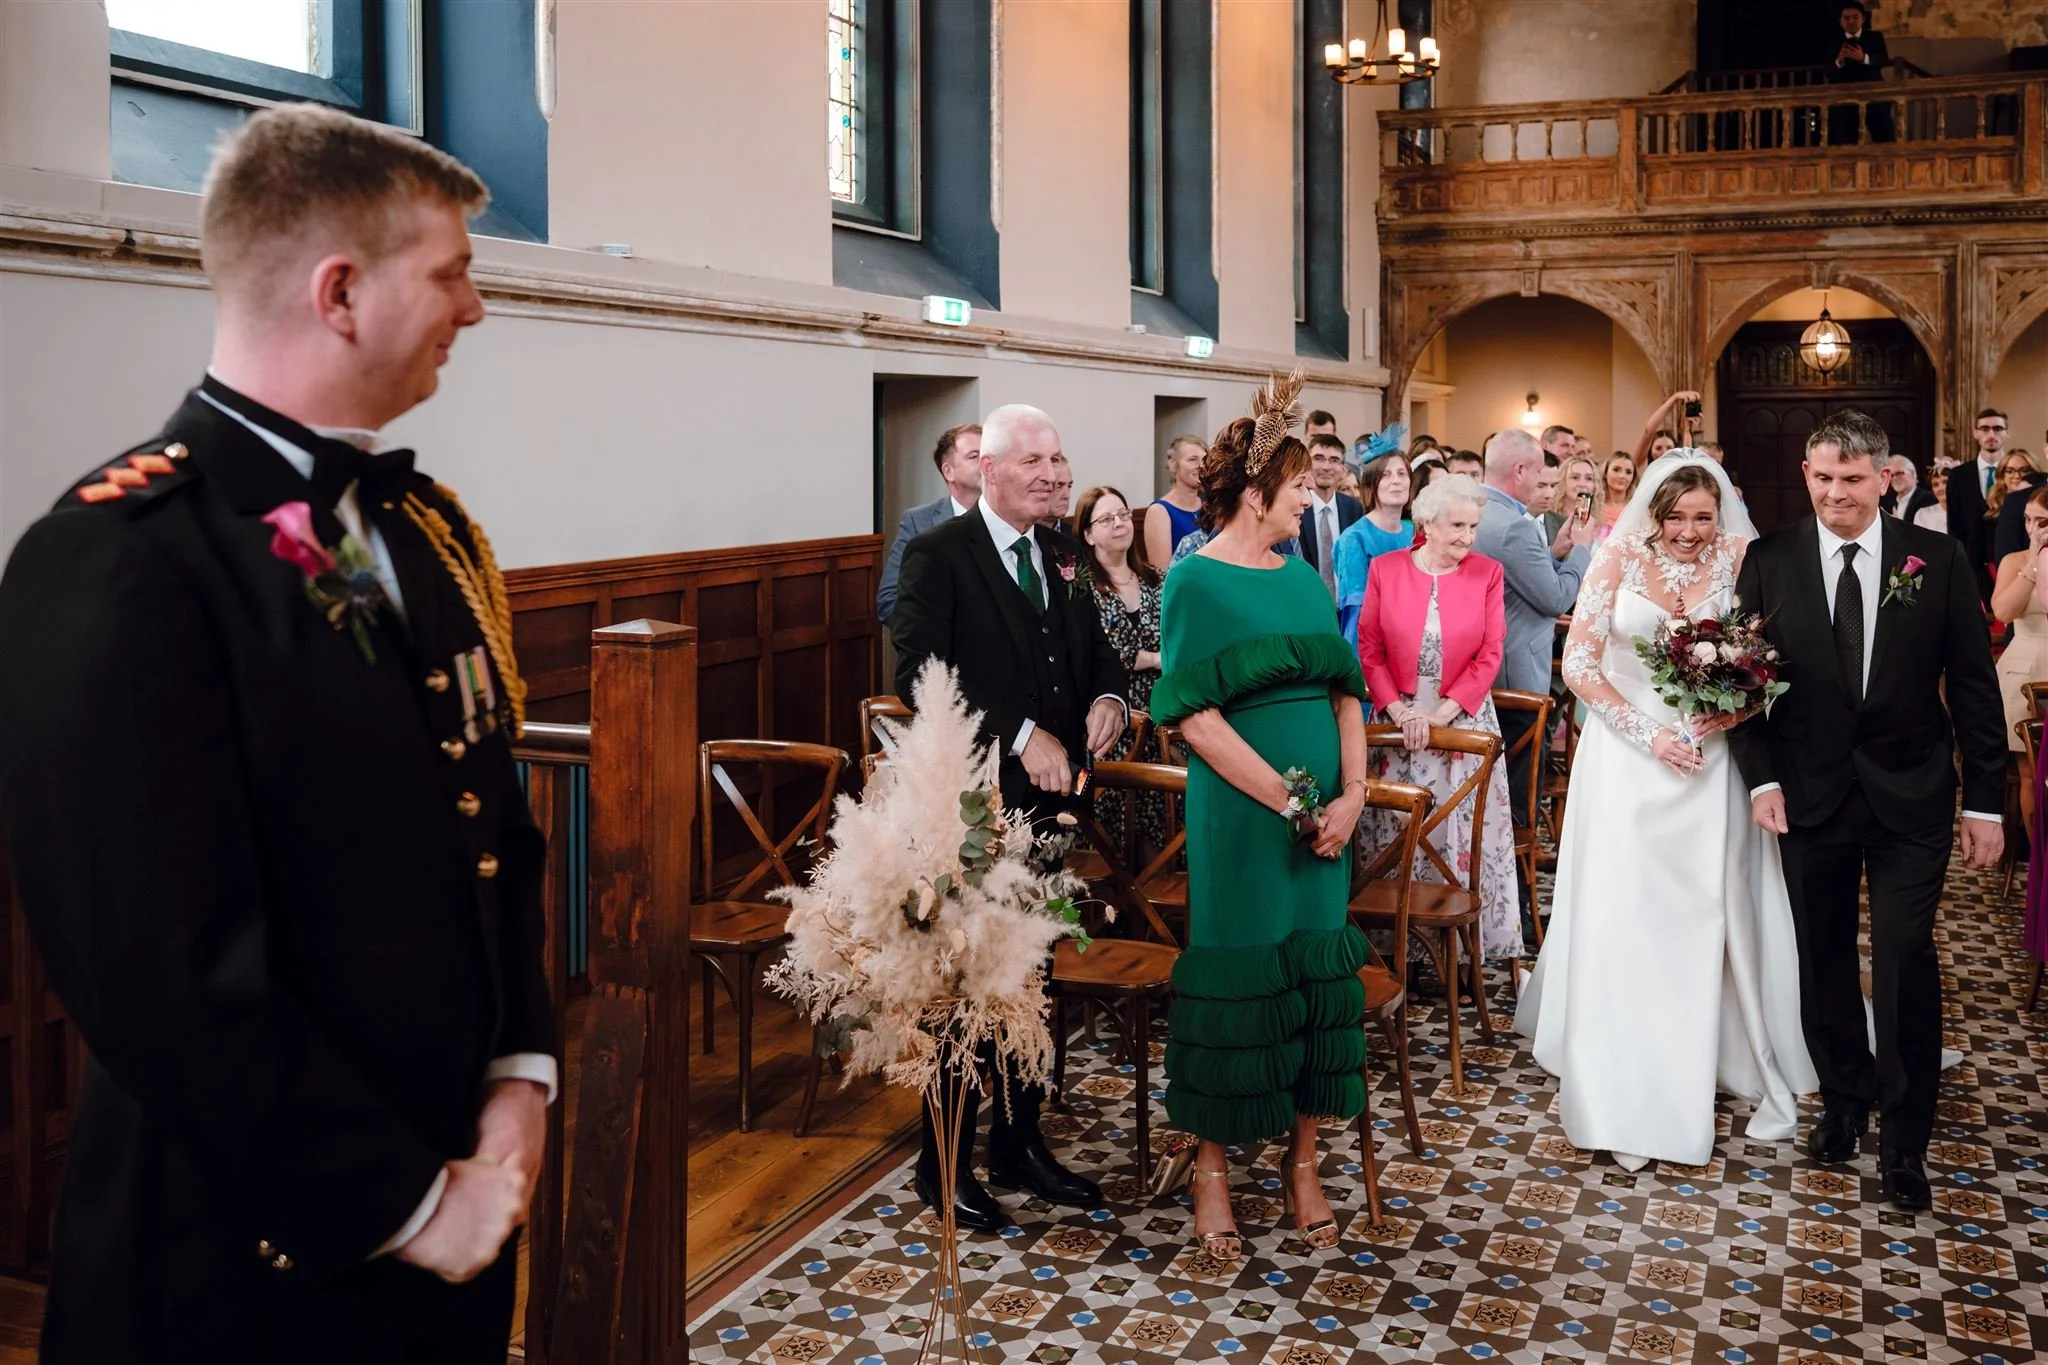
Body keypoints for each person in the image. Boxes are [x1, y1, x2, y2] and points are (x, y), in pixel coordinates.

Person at [0, 104, 556, 1363]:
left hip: (452, 1216)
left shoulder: (401, 530)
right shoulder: (117, 560)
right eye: (453, 273)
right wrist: (413, 1206)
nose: (473, 309)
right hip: (245, 1268)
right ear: (341, 292)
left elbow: (486, 828)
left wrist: (517, 1084)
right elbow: (161, 976)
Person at [1732, 411, 2005, 1212]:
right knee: (1822, 957)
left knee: (1905, 956)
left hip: (1912, 791)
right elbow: (1742, 684)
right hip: (1808, 793)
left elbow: (1974, 685)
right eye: (1821, 477)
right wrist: (1759, 780)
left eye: (1851, 479)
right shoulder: (1770, 558)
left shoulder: (1938, 558)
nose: (1833, 493)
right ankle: (1846, 1100)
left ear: (1884, 478)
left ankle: (1907, 1141)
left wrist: (1986, 799)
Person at [1517, 454, 1814, 1171]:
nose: (1688, 531)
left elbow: (1768, 658)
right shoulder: (1614, 558)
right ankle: (1623, 1071)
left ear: (1722, 514)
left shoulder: (1743, 559)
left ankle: (1707, 1051)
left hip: (1710, 762)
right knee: (1627, 911)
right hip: (1625, 758)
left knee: (1703, 911)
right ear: (1655, 514)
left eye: (1702, 517)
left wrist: (1730, 707)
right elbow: (1580, 666)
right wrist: (1647, 731)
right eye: (1676, 516)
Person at [891, 403, 1131, 1231]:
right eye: (1035, 461)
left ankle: (1019, 1140)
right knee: (964, 988)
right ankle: (943, 1160)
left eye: (1059, 458)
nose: (1055, 474)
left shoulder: (1061, 552)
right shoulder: (938, 556)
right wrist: (1023, 734)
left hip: (1053, 811)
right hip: (972, 808)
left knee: (1034, 978)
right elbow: (920, 671)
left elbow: (1096, 649)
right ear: (988, 469)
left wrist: (1107, 698)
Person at [1152, 376, 1371, 1263]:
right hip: (1243, 821)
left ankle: (1303, 1161)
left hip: (1326, 826)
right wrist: (1290, 799)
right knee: (1239, 981)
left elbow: (1345, 692)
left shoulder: (1307, 581)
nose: (1311, 502)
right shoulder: (1193, 582)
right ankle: (1211, 1172)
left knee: (1314, 984)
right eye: (1299, 491)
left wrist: (1350, 797)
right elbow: (1194, 717)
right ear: (1254, 495)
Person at [1354, 474, 1522, 965]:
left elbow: (1491, 653)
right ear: (1427, 522)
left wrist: (1442, 714)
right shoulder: (1385, 569)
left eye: (1473, 527)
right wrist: (1399, 709)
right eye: (1457, 526)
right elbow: (1369, 647)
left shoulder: (1487, 572)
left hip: (1463, 720)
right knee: (1397, 830)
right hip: (1395, 720)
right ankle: (1395, 949)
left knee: (1461, 833)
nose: (1467, 538)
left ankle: (1463, 950)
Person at [1474, 429, 1594, 873]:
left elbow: (1518, 585)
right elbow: (1554, 599)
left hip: (1486, 676)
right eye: (1540, 474)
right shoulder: (1512, 526)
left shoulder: (1480, 513)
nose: (1544, 483)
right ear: (1520, 470)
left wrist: (1554, 551)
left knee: (1494, 797)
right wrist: (1580, 553)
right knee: (1518, 800)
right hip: (1516, 678)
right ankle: (1517, 913)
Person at [1076, 484, 1167, 853]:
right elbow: (1105, 654)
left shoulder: (1156, 579)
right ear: (1087, 532)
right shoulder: (1082, 587)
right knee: (1109, 826)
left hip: (1158, 714)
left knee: (1159, 816)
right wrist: (1155, 658)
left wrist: (1151, 657)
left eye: (1124, 515)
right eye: (1107, 519)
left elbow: (1175, 641)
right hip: (1109, 718)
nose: (1119, 524)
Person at [878, 423, 981, 623]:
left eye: (989, 456)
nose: (986, 463)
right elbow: (889, 601)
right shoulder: (919, 522)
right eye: (974, 456)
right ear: (948, 471)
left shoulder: (1011, 518)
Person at [1334, 454, 1417, 645]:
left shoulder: (1413, 532)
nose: (1395, 481)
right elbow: (1356, 615)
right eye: (1386, 475)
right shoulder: (1354, 539)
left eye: (1401, 474)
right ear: (1372, 485)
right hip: (1373, 648)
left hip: (1412, 642)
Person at [1991, 487, 2048, 755]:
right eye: (2028, 519)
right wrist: (2034, 565)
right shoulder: (2014, 561)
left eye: (2042, 521)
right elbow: (2003, 612)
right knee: (2028, 768)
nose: (2032, 529)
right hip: (2024, 664)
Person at [1948, 408, 2009, 603]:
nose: (1991, 434)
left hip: (2011, 564)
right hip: (1971, 566)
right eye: (1984, 429)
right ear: (1975, 433)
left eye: (1998, 428)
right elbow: (1955, 526)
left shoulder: (2018, 473)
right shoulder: (1958, 475)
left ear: (2007, 432)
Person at [1299, 432, 1365, 597]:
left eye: (1334, 460)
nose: (1326, 467)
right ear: (1307, 464)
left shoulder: (1354, 509)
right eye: (1319, 458)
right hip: (1306, 600)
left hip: (1346, 603)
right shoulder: (1297, 507)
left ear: (1343, 469)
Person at [1825, 2, 1893, 143]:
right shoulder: (1833, 41)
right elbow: (1827, 69)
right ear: (1841, 21)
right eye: (1847, 18)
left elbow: (1883, 59)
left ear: (1863, 19)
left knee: (1883, 135)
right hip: (1844, 96)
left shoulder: (1874, 37)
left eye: (1855, 17)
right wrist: (1839, 60)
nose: (1851, 21)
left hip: (1873, 93)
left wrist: (1863, 58)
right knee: (1845, 139)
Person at [1144, 435, 1206, 566]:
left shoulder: (1210, 504)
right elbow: (1163, 573)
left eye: (1204, 460)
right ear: (1173, 465)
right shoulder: (1159, 511)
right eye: (1192, 460)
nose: (1200, 466)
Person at [1633, 391, 1701, 466]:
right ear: (1650, 451)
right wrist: (1674, 398)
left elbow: (1687, 453)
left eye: (1669, 448)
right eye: (1658, 448)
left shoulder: (1679, 468)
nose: (1664, 452)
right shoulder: (1642, 465)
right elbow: (1648, 431)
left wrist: (1688, 428)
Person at [1598, 453, 1638, 533]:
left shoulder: (1638, 508)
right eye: (1616, 470)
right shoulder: (1594, 505)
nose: (1622, 476)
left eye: (1628, 472)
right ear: (1605, 473)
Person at [1915, 460, 1954, 535]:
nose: (1941, 488)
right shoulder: (1923, 514)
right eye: (1936, 484)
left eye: (1945, 482)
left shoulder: (1969, 512)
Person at [1531, 460, 1565, 541]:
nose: (1549, 495)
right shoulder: (1504, 522)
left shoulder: (1564, 525)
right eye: (1540, 486)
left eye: (1553, 486)